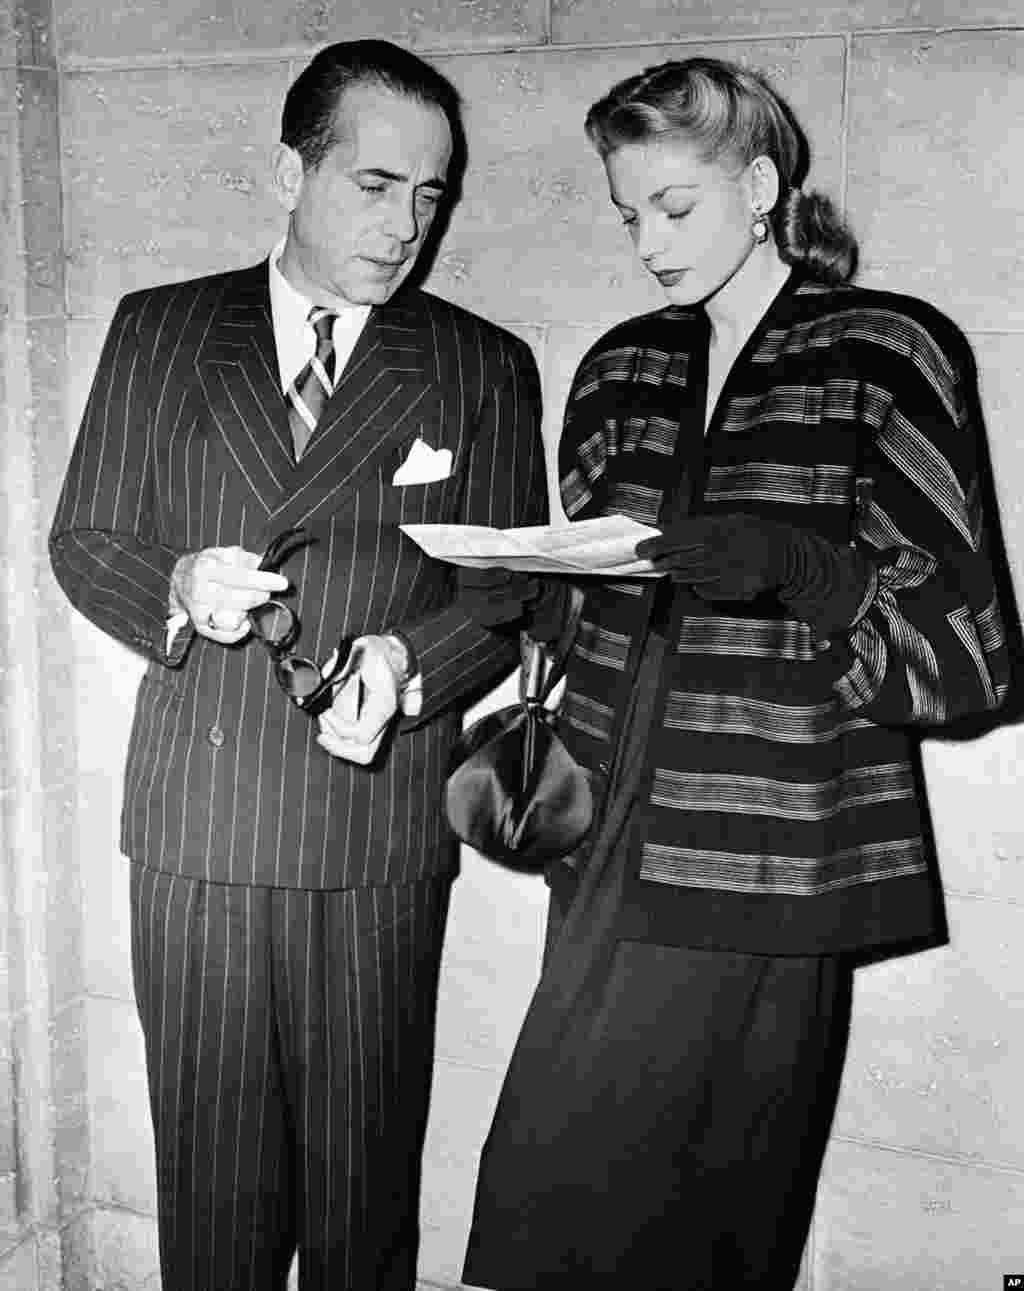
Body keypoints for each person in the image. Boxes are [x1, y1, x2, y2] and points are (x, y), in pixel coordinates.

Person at [461, 56, 1010, 1291]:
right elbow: (608, 611)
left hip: (773, 848)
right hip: (605, 836)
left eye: (675, 207)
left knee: (705, 1238)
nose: (646, 242)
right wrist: (524, 595)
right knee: (540, 1215)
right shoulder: (619, 367)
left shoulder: (886, 351)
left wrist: (806, 572)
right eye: (627, 212)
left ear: (759, 186)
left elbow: (965, 655)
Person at [49, 39, 548, 1291]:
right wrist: (172, 585)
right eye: (375, 186)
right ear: (290, 171)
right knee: (212, 1198)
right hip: (199, 827)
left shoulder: (481, 364)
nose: (406, 228)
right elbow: (86, 537)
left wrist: (408, 658)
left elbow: (505, 589)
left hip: (373, 832)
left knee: (360, 1198)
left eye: (430, 197)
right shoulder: (161, 329)